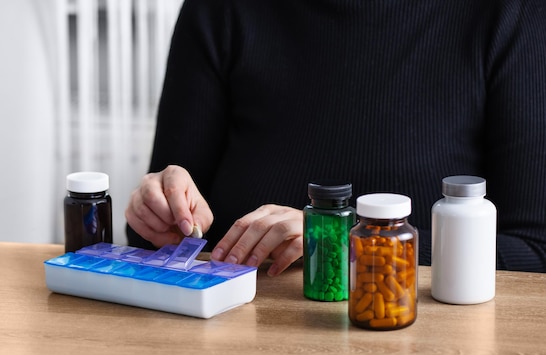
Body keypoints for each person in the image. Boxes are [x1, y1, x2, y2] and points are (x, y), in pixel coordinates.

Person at [125, 0, 546, 275]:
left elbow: (533, 248)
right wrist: (159, 208)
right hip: (229, 340)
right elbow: (163, 232)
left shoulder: (509, 13)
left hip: (419, 347)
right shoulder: (219, 10)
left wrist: (354, 247)